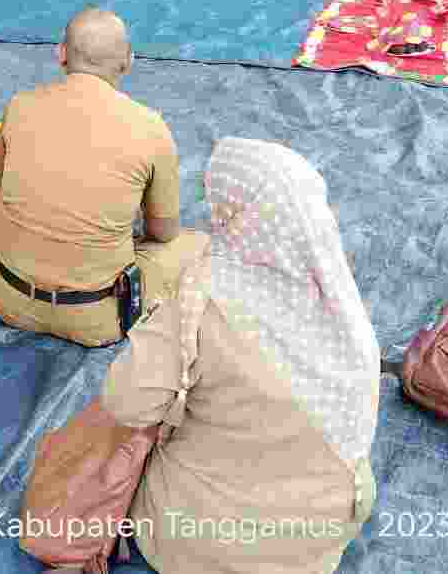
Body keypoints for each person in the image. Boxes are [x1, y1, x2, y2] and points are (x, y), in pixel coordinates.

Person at [102, 139, 379, 574]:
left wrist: (159, 319)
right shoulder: (341, 298)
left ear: (230, 213)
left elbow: (126, 403)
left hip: (198, 545)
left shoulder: (200, 300)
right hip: (312, 549)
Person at [0, 8, 208, 347]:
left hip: (10, 303)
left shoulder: (20, 105)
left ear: (61, 53)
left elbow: (0, 176)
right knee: (195, 243)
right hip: (100, 317)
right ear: (128, 61)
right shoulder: (150, 127)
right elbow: (162, 231)